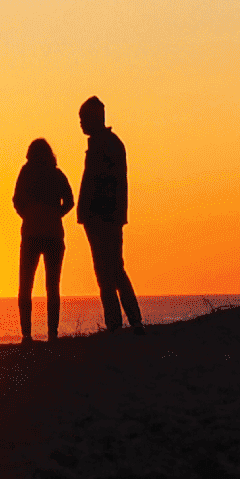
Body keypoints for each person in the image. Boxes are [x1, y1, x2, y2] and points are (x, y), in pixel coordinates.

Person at [77, 96, 142, 334]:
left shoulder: (107, 145)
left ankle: (123, 320)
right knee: (109, 270)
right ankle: (123, 320)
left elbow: (105, 183)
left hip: (103, 217)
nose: (81, 124)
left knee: (111, 270)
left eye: (83, 118)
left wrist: (95, 212)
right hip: (101, 217)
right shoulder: (105, 144)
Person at [13, 138, 74, 342]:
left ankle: (27, 334)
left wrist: (28, 214)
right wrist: (56, 214)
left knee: (26, 286)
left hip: (32, 234)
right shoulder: (56, 174)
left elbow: (16, 200)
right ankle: (52, 334)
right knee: (52, 286)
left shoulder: (26, 173)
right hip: (52, 234)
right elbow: (70, 200)